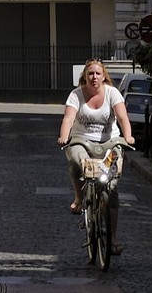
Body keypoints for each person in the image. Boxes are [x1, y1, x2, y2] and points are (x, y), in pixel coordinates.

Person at [57, 58, 134, 254]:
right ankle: (79, 196)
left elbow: (123, 117)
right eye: (90, 73)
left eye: (98, 73)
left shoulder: (112, 93)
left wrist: (128, 136)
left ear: (103, 76)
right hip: (82, 140)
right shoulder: (76, 94)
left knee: (112, 186)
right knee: (77, 162)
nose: (94, 77)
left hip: (109, 142)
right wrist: (64, 135)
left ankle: (113, 237)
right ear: (85, 76)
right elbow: (68, 118)